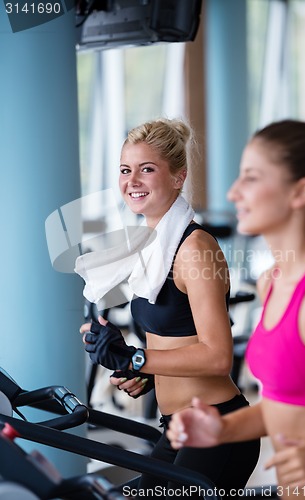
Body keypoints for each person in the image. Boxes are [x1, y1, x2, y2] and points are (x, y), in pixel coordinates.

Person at [77, 118, 260, 498]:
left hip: (216, 426)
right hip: (176, 425)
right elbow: (176, 341)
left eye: (147, 169)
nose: (133, 181)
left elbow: (217, 358)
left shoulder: (195, 248)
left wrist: (137, 358)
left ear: (178, 178)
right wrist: (144, 373)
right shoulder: (151, 248)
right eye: (126, 170)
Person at [166, 119, 305, 499]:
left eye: (251, 178)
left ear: (300, 192)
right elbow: (284, 406)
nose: (233, 192)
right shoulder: (271, 283)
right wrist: (222, 430)